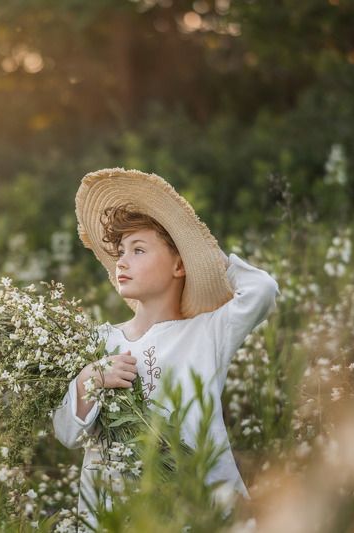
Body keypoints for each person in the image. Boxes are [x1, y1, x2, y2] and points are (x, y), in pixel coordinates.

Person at [51, 167, 281, 530]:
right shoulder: (99, 342)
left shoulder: (206, 333)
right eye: (121, 251)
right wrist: (89, 379)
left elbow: (263, 291)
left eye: (139, 250)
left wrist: (206, 257)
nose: (122, 261)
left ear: (178, 265)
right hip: (116, 516)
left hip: (194, 509)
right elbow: (67, 433)